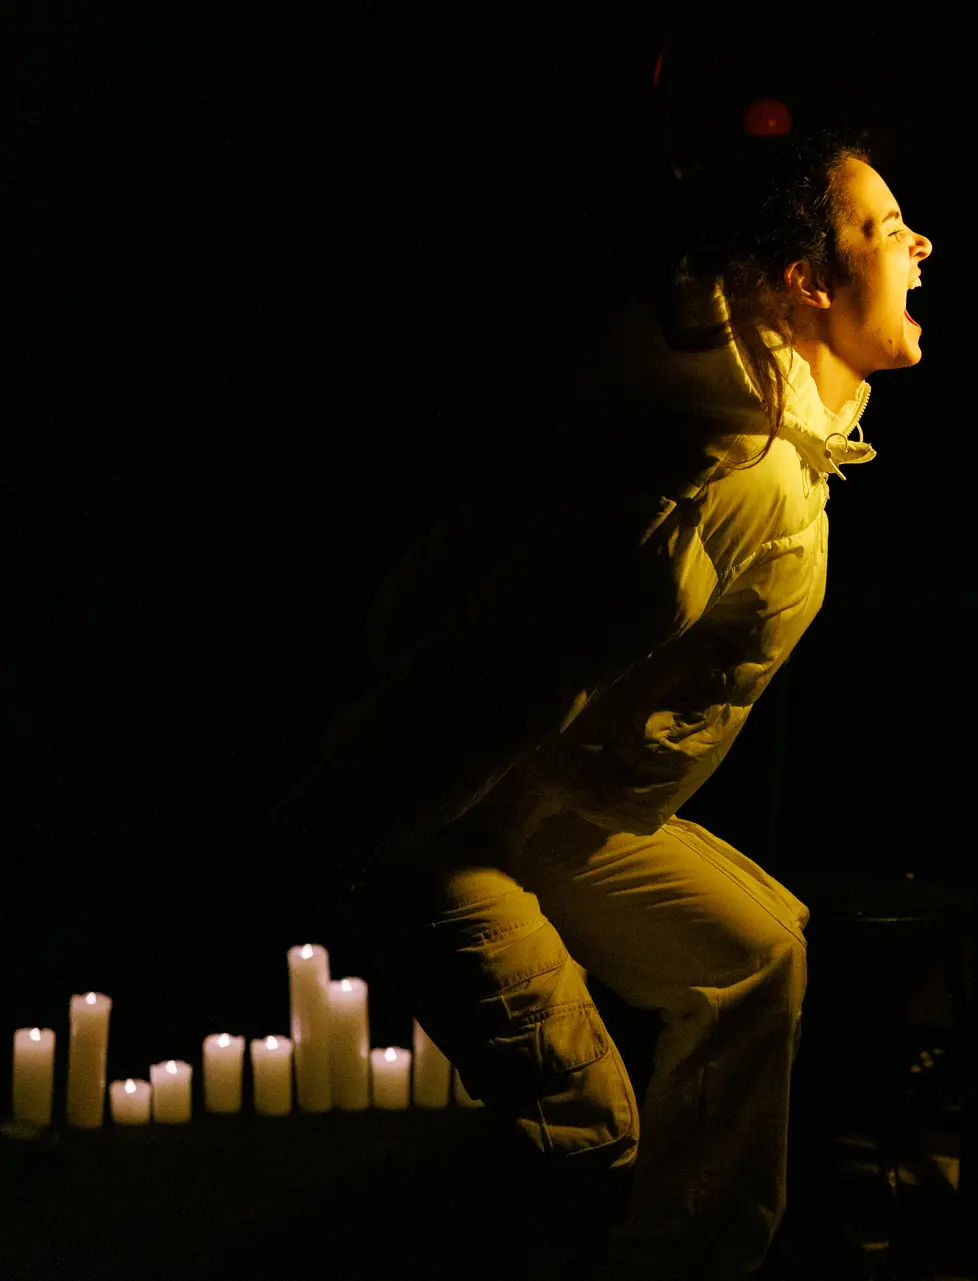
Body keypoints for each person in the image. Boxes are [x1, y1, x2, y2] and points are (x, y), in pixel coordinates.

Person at [266, 131, 934, 1277]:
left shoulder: (778, 441)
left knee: (753, 954)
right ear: (807, 286)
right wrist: (351, 823)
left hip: (555, 806)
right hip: (433, 827)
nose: (919, 244)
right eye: (882, 228)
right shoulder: (730, 477)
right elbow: (499, 682)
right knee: (586, 1141)